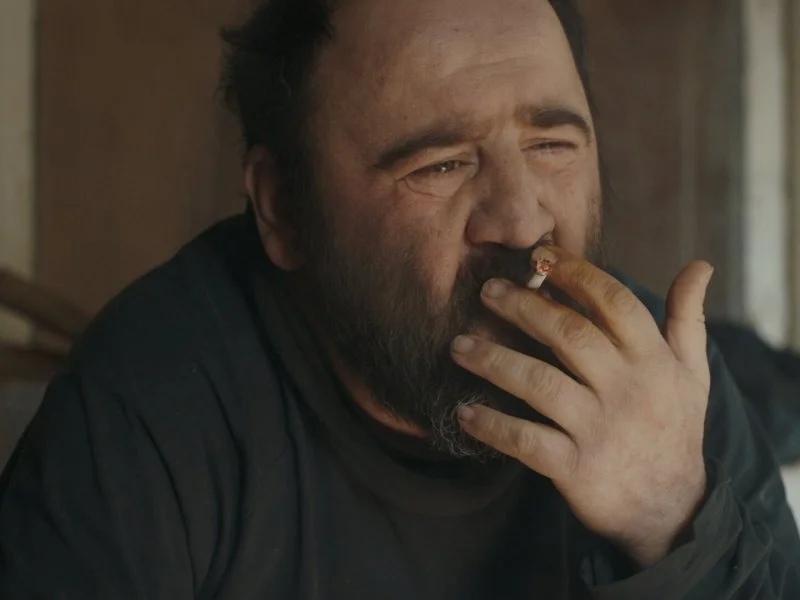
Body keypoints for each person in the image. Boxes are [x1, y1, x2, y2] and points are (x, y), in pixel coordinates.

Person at [1, 0, 798, 597]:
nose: (522, 220)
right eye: (440, 164)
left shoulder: (664, 386)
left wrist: (672, 521)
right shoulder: (153, 404)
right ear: (284, 207)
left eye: (552, 145)